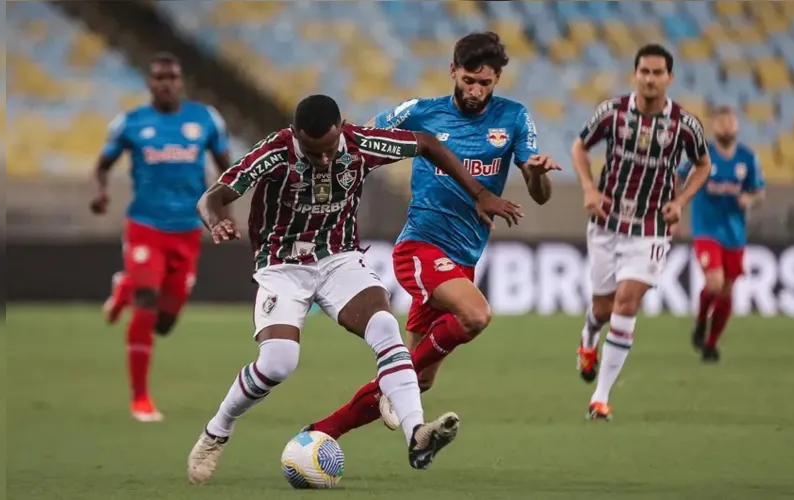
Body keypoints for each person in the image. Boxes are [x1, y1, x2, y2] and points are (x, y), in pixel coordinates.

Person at [186, 94, 525, 484]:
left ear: (341, 129)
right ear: (295, 135)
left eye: (330, 149)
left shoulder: (361, 142)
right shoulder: (275, 151)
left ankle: (417, 432)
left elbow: (427, 143)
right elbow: (213, 195)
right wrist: (215, 222)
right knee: (279, 361)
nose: (325, 160)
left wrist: (479, 193)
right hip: (283, 266)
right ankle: (217, 431)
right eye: (314, 153)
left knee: (386, 330)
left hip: (338, 259)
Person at [304, 31, 560, 438]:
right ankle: (381, 398)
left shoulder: (514, 118)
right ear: (453, 71)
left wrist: (537, 174)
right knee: (476, 315)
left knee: (417, 380)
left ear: (497, 80)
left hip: (464, 256)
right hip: (421, 242)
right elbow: (366, 137)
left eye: (485, 83)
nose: (476, 91)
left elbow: (540, 196)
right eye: (468, 80)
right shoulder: (422, 112)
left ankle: (321, 432)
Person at [570, 44, 712, 421]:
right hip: (607, 221)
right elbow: (579, 147)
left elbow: (703, 164)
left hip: (652, 226)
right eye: (644, 72)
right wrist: (588, 187)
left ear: (670, 78)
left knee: (627, 300)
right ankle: (588, 338)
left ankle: (600, 397)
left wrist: (681, 202)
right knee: (602, 308)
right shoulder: (612, 112)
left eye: (658, 73)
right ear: (635, 74)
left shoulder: (684, 124)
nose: (650, 79)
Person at [89, 52, 232, 422]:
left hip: (186, 230)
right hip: (145, 227)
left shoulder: (205, 119)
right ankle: (141, 399)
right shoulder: (131, 123)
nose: (166, 84)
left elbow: (227, 168)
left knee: (165, 324)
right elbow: (103, 165)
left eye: (172, 77)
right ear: (149, 83)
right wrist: (101, 193)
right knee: (147, 299)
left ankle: (124, 286)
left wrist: (225, 214)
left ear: (180, 81)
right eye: (158, 78)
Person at [678, 106, 765, 362]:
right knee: (714, 283)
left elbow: (759, 191)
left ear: (737, 125)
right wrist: (676, 209)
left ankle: (711, 344)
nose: (726, 126)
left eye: (730, 121)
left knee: (726, 291)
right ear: (714, 126)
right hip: (706, 230)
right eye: (721, 122)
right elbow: (679, 177)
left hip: (735, 235)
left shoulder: (748, 158)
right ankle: (700, 321)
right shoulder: (703, 155)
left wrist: (749, 199)